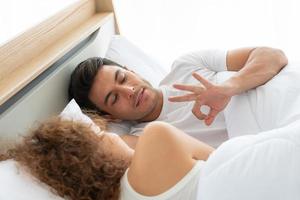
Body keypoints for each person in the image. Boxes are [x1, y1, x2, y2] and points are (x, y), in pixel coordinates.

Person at [68, 47, 288, 147]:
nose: (129, 91)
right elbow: (109, 147)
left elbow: (273, 56)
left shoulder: (187, 65)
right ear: (112, 117)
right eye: (114, 98)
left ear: (131, 70)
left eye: (123, 78)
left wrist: (227, 88)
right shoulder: (144, 138)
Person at [1, 115, 214, 200]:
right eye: (99, 134)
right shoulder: (156, 138)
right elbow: (219, 158)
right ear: (95, 158)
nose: (112, 134)